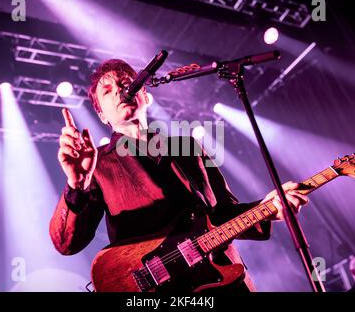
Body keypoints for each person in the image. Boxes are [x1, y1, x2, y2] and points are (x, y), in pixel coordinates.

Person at [49, 59, 309, 292]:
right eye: (107, 90)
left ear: (145, 96)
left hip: (221, 279)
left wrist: (268, 208)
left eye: (126, 82)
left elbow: (223, 214)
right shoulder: (99, 163)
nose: (119, 89)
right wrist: (76, 186)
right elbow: (66, 244)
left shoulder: (188, 147)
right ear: (102, 114)